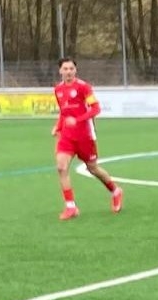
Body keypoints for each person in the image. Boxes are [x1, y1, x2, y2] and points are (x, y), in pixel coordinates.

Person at [52, 57, 123, 220]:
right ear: (60, 71)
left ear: (75, 70)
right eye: (65, 69)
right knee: (61, 167)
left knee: (93, 168)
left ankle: (115, 191)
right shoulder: (58, 89)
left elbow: (96, 109)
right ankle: (71, 207)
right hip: (67, 137)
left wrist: (77, 120)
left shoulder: (84, 87)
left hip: (85, 136)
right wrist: (58, 126)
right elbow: (64, 112)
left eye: (71, 69)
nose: (68, 72)